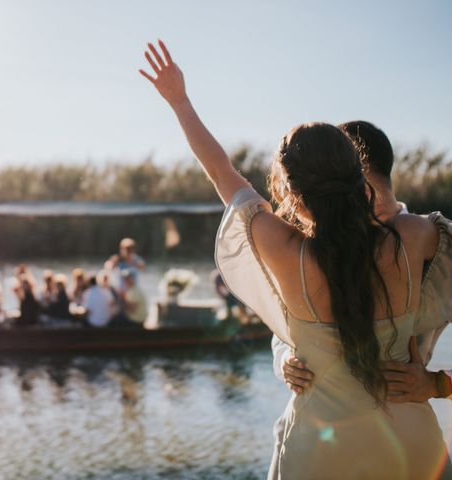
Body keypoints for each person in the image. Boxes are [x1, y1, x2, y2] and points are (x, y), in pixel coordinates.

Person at [140, 40, 450, 478]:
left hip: (322, 451)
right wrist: (439, 383)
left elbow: (221, 171)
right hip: (413, 448)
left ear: (291, 195)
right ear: (358, 175)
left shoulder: (285, 252)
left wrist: (181, 102)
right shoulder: (416, 236)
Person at [276, 122, 452, 401]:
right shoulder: (317, 242)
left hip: (403, 426)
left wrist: (438, 385)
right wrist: (286, 359)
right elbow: (285, 325)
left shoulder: (435, 243)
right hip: (322, 426)